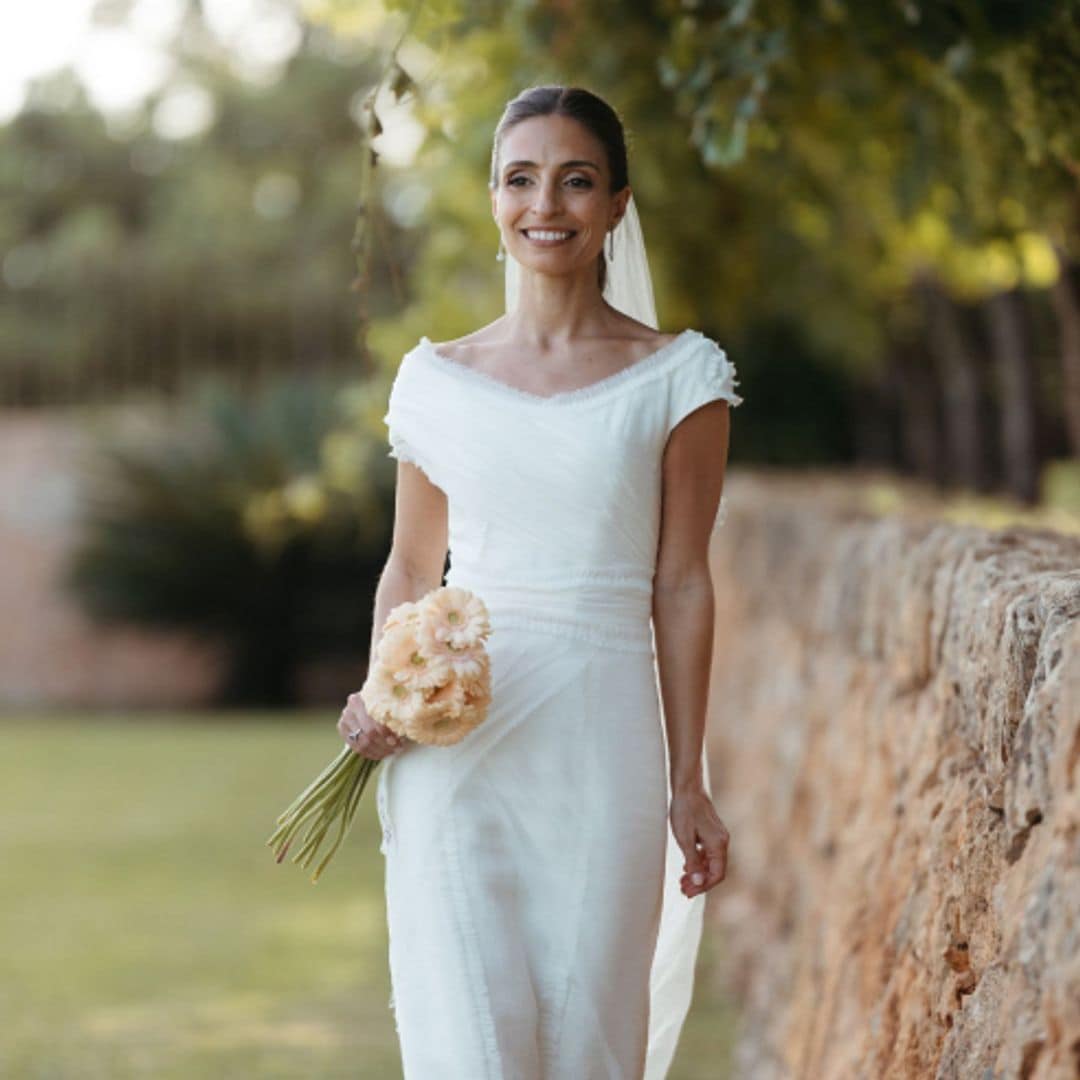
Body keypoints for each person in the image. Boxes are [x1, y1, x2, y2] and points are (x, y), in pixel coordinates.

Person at [337, 84, 743, 1079]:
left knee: (588, 1042)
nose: (546, 206)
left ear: (616, 205)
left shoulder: (681, 379)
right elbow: (408, 563)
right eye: (521, 180)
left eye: (576, 182)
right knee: (472, 1046)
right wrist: (387, 690)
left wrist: (688, 779)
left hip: (602, 746)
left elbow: (683, 585)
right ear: (492, 199)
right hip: (457, 751)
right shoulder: (435, 380)